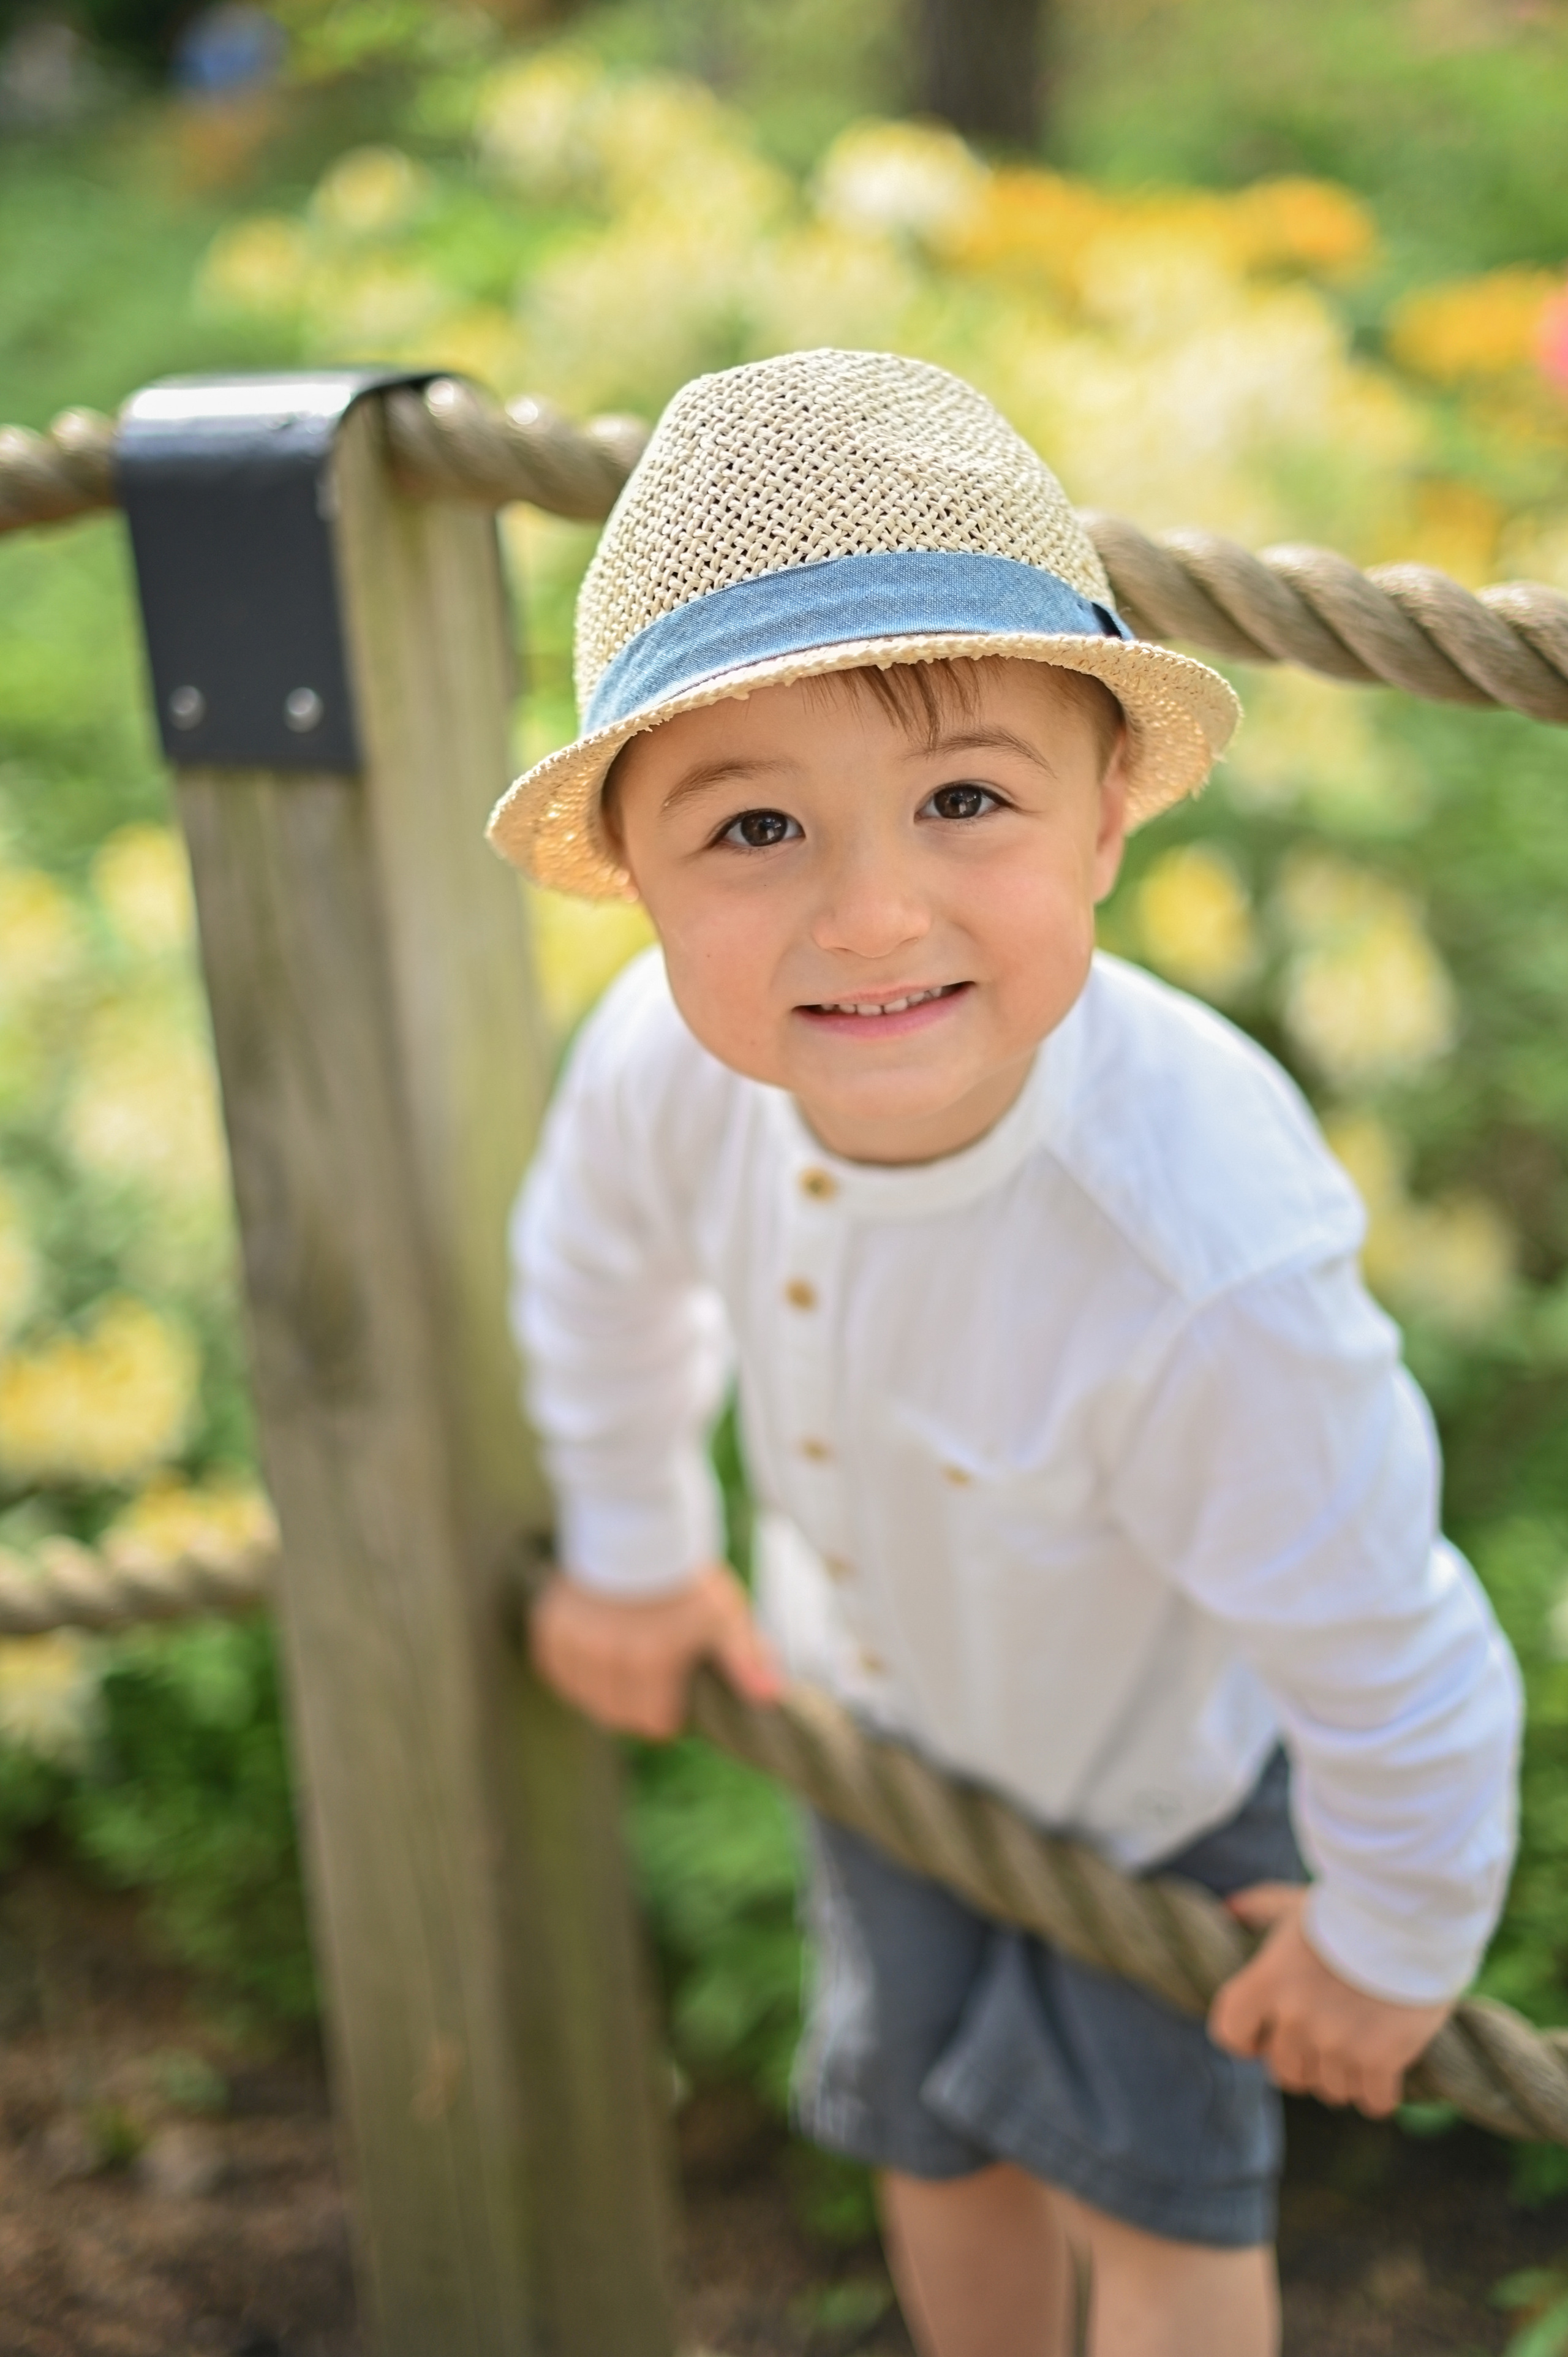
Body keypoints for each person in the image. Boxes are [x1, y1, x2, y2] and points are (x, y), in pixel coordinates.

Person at [488, 348, 1521, 2357]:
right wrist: (632, 1545)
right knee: (937, 2142)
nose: (874, 915)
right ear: (637, 879)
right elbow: (595, 1276)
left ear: (1110, 815)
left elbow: (1381, 1632)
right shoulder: (656, 1076)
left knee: (1151, 2215)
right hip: (880, 1752)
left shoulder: (1196, 1252)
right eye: (753, 828)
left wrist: (1395, 1936)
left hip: (1157, 1806)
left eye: (965, 800)